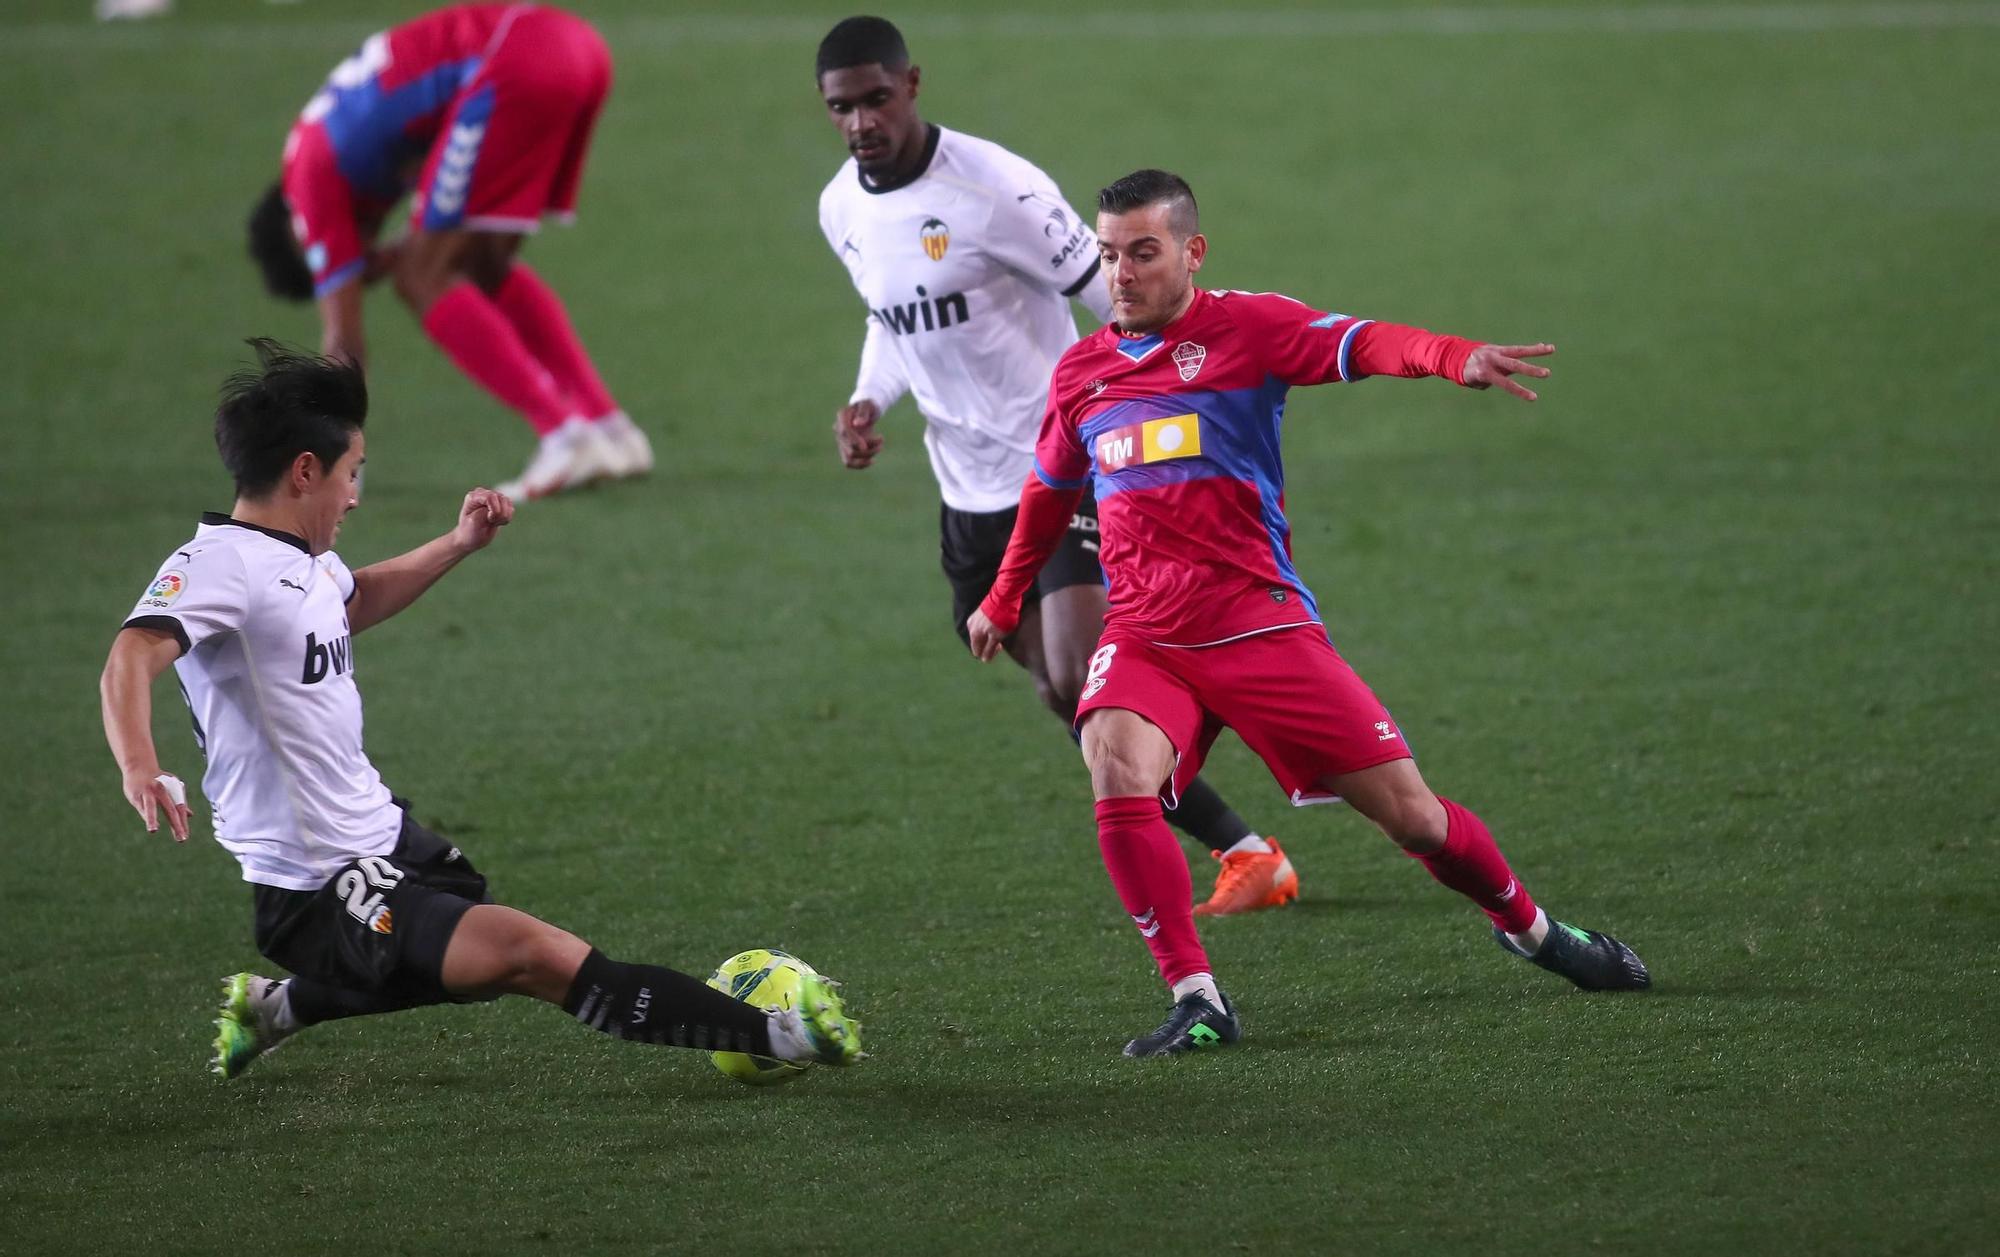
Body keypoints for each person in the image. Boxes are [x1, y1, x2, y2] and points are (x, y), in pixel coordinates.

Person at [966, 170, 1651, 1057]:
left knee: (1414, 819)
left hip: (1258, 626)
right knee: (1113, 762)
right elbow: (1049, 492)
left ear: (1190, 251)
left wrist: (1454, 356)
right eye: (1108, 255)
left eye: (1143, 252)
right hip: (1146, 633)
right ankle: (1198, 996)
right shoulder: (1083, 373)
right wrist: (1002, 596)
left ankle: (1535, 931)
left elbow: (1363, 342)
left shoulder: (1246, 328)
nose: (1122, 274)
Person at [100, 340, 860, 1080]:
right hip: (315, 882)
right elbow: (132, 654)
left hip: (381, 830)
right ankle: (784, 1033)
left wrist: (458, 543)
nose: (356, 495)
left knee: (474, 958)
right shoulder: (218, 564)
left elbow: (351, 599)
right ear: (305, 471)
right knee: (532, 955)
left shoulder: (301, 561)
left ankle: (277, 1010)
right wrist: (142, 765)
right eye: (351, 474)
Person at [815, 17, 1295, 915]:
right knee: (1058, 692)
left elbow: (1116, 291)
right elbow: (891, 319)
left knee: (1085, 677)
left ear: (911, 84)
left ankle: (1248, 728)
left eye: (876, 99)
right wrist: (869, 401)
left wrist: (1172, 411)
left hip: (1066, 467)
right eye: (842, 107)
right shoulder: (841, 206)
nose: (861, 122)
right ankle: (1247, 847)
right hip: (966, 491)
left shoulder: (997, 191)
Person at [245, 3, 652, 502]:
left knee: (422, 276)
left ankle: (565, 434)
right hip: (575, 47)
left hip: (513, 62)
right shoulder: (339, 140)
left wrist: (335, 462)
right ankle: (610, 428)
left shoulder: (308, 181)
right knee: (483, 266)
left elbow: (343, 343)